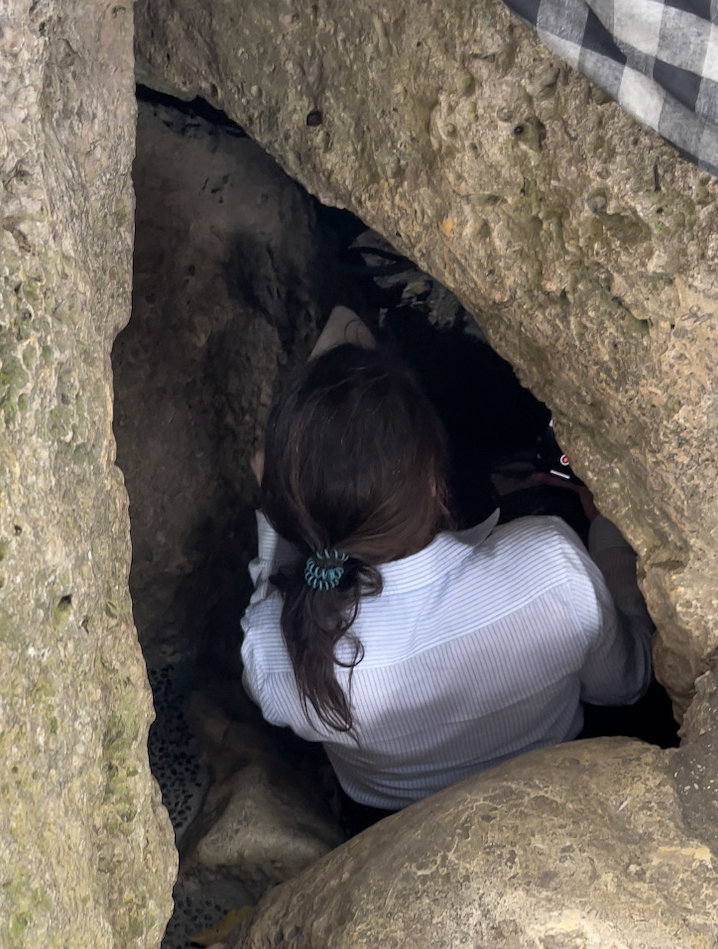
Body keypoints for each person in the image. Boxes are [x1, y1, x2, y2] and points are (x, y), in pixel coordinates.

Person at [241, 308, 654, 828]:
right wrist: (609, 534)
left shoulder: (278, 652)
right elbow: (625, 683)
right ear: (438, 478)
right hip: (550, 791)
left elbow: (292, 575)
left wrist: (277, 506)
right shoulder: (550, 569)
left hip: (382, 825)